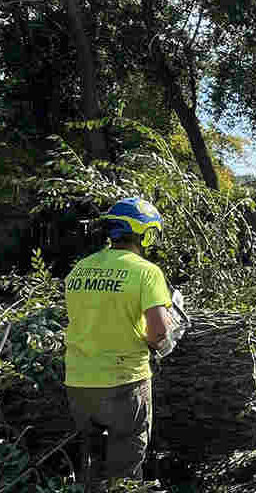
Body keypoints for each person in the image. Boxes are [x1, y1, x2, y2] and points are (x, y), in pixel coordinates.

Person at [63, 197, 172, 488]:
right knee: (125, 470)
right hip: (124, 383)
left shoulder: (80, 269)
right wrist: (155, 344)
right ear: (145, 232)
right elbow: (160, 331)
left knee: (92, 466)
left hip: (78, 383)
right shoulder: (147, 272)